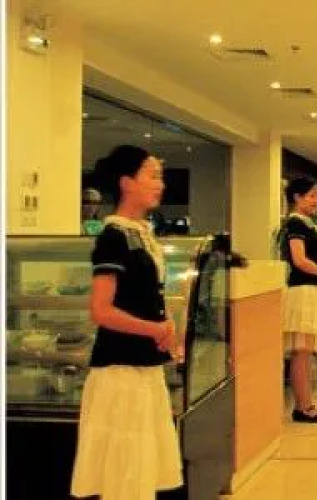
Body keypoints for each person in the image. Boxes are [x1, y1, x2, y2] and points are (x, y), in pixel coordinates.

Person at [70, 145, 183, 499]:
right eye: (152, 175)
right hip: (120, 369)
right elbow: (101, 311)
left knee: (141, 469)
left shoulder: (142, 233)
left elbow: (148, 297)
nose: (159, 184)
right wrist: (155, 329)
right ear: (126, 182)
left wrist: (167, 329)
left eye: (160, 176)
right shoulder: (113, 237)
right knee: (126, 471)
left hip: (145, 366)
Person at [280, 175, 317, 423]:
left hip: (310, 291)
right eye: (311, 195)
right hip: (303, 292)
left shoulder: (307, 223)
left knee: (305, 352)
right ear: (297, 198)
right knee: (302, 352)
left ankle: (304, 405)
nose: (316, 200)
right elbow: (299, 260)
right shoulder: (296, 223)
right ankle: (304, 407)